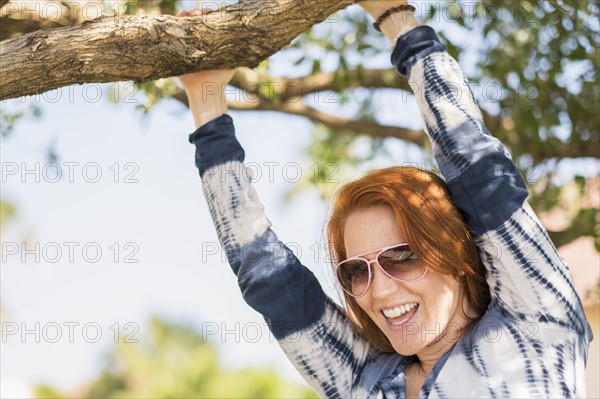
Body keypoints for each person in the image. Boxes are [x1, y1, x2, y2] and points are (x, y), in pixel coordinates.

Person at [178, 1, 593, 397]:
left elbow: (478, 170)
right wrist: (207, 101)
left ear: (458, 253)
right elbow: (268, 277)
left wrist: (393, 16)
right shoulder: (366, 384)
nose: (377, 291)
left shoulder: (537, 322)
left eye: (402, 256)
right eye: (356, 271)